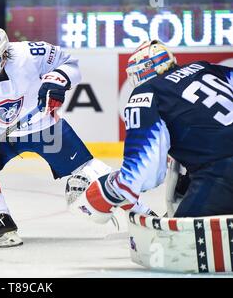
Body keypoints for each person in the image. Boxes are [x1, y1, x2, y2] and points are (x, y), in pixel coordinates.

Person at [0, 24, 111, 248]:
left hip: (43, 129)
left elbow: (69, 62)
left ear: (3, 55)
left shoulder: (30, 54)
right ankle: (0, 219)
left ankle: (136, 209)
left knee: (89, 171)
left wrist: (58, 80)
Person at [66, 39, 233, 222]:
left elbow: (145, 170)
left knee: (180, 245)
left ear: (143, 69)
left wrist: (108, 190)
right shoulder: (205, 68)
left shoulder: (147, 92)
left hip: (222, 172)